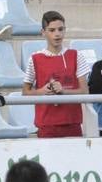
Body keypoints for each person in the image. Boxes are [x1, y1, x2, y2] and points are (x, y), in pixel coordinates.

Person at [23, 10, 89, 138]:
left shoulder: (76, 55)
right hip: (46, 124)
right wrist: (41, 91)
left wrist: (63, 91)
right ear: (43, 32)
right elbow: (25, 92)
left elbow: (84, 91)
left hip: (72, 123)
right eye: (52, 30)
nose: (57, 34)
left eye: (60, 29)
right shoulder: (34, 58)